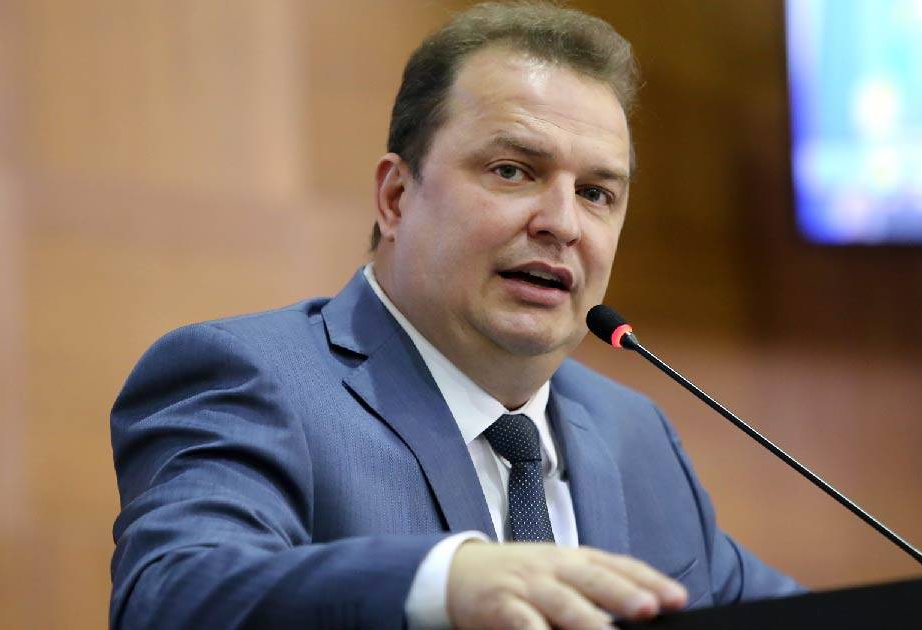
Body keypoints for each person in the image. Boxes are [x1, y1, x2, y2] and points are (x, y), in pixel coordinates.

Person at [109, 3, 802, 628]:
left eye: (596, 193)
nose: (562, 224)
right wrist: (445, 583)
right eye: (513, 171)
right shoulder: (254, 380)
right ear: (396, 198)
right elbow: (170, 596)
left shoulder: (635, 434)